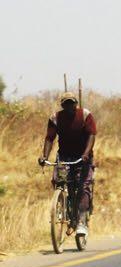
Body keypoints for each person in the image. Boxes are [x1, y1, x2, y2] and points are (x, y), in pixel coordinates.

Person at [38, 93, 96, 236]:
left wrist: (86, 153)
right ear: (62, 106)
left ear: (76, 104)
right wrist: (44, 156)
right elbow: (49, 138)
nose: (69, 106)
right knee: (60, 181)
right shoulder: (55, 118)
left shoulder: (85, 115)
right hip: (64, 157)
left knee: (82, 187)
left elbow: (92, 135)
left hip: (83, 158)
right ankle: (63, 206)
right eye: (66, 104)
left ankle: (82, 221)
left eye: (72, 103)